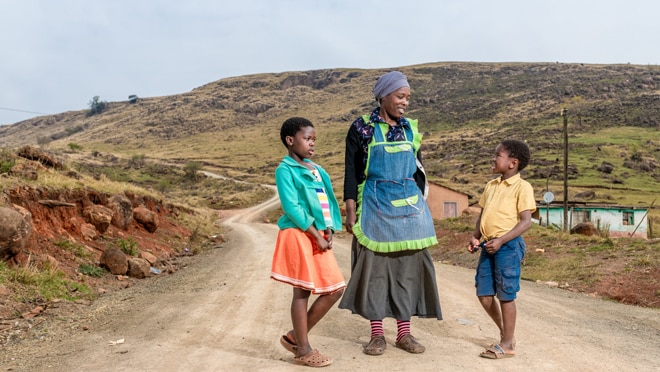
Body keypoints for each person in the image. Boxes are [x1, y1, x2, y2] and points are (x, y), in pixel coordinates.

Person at [339, 71, 442, 356]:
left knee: (407, 273)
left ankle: (404, 334)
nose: (405, 102)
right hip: (375, 205)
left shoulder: (410, 129)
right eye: (400, 96)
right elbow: (352, 172)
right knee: (375, 273)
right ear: (383, 96)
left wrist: (422, 209)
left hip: (410, 210)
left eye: (408, 97)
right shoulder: (361, 129)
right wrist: (351, 211)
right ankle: (376, 335)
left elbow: (418, 172)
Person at [271, 117, 346, 367]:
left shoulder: (316, 169)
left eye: (314, 139)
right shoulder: (285, 170)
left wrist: (329, 229)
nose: (312, 144)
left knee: (335, 288)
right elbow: (291, 206)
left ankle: (294, 337)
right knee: (302, 291)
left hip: (319, 235)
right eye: (307, 138)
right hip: (299, 233)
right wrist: (315, 234)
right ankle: (303, 350)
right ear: (290, 141)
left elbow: (327, 202)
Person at [467, 139, 536, 360]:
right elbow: (483, 214)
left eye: (498, 155)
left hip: (508, 246)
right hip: (488, 244)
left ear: (512, 163)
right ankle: (506, 334)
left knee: (506, 295)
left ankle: (507, 344)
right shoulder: (491, 185)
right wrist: (475, 236)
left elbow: (526, 222)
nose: (493, 158)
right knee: (484, 294)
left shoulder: (522, 187)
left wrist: (502, 240)